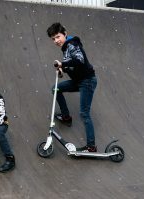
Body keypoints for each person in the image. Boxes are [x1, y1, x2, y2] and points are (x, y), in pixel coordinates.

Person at [47, 22, 98, 152]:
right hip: (79, 81)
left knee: (84, 113)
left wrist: (62, 64)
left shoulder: (72, 44)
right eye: (53, 39)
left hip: (87, 81)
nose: (56, 41)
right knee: (56, 88)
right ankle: (66, 117)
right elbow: (72, 66)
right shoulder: (66, 48)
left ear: (65, 33)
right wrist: (62, 70)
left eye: (58, 37)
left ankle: (91, 146)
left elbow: (79, 60)